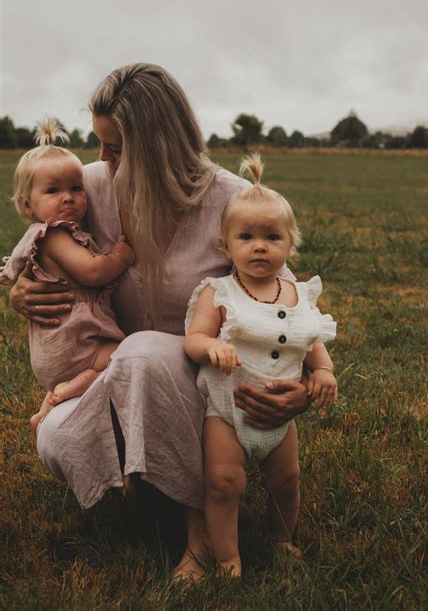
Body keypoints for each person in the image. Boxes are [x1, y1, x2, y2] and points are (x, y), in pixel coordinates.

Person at [8, 63, 315, 583]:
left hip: (210, 384)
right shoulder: (90, 189)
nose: (101, 161)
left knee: (146, 352)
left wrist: (303, 385)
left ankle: (198, 537)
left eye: (116, 147)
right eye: (100, 144)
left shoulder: (231, 198)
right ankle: (150, 476)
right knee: (56, 438)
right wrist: (20, 289)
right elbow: (43, 242)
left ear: (159, 144)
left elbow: (286, 298)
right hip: (121, 376)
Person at [184, 154, 337, 577]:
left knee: (287, 481)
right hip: (227, 415)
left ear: (290, 244)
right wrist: (211, 346)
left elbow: (311, 341)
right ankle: (228, 557)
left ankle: (282, 538)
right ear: (225, 245)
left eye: (272, 237)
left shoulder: (297, 293)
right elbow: (193, 339)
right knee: (223, 485)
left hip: (280, 421)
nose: (259, 246)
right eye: (246, 236)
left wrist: (323, 371)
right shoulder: (218, 293)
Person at [0, 120, 134, 435]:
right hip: (70, 345)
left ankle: (50, 403)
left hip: (57, 348)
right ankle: (78, 383)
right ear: (26, 204)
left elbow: (16, 264)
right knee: (126, 353)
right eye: (53, 190)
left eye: (76, 188)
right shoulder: (55, 235)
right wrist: (120, 256)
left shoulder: (40, 236)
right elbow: (92, 272)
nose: (68, 198)